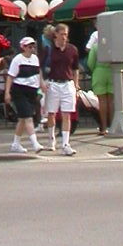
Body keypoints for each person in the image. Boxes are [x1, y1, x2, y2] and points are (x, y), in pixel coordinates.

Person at [5, 35, 45, 154]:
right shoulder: (18, 59)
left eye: (33, 46)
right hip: (19, 90)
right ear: (23, 47)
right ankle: (35, 143)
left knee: (22, 119)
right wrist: (7, 92)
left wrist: (42, 83)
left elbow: (38, 72)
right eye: (29, 46)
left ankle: (15, 144)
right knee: (28, 117)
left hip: (31, 91)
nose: (32, 48)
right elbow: (10, 76)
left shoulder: (35, 59)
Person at [43, 22, 79, 155]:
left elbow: (75, 68)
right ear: (56, 35)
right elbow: (41, 67)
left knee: (66, 114)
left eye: (66, 34)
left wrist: (76, 84)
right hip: (53, 83)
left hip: (67, 83)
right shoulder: (49, 49)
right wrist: (42, 82)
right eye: (62, 34)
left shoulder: (72, 49)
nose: (64, 37)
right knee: (51, 113)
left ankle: (65, 144)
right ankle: (51, 139)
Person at [86, 38, 113, 134]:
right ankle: (113, 126)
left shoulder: (96, 47)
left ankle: (104, 127)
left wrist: (95, 69)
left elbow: (90, 63)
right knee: (111, 101)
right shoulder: (114, 46)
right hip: (113, 72)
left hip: (99, 72)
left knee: (102, 102)